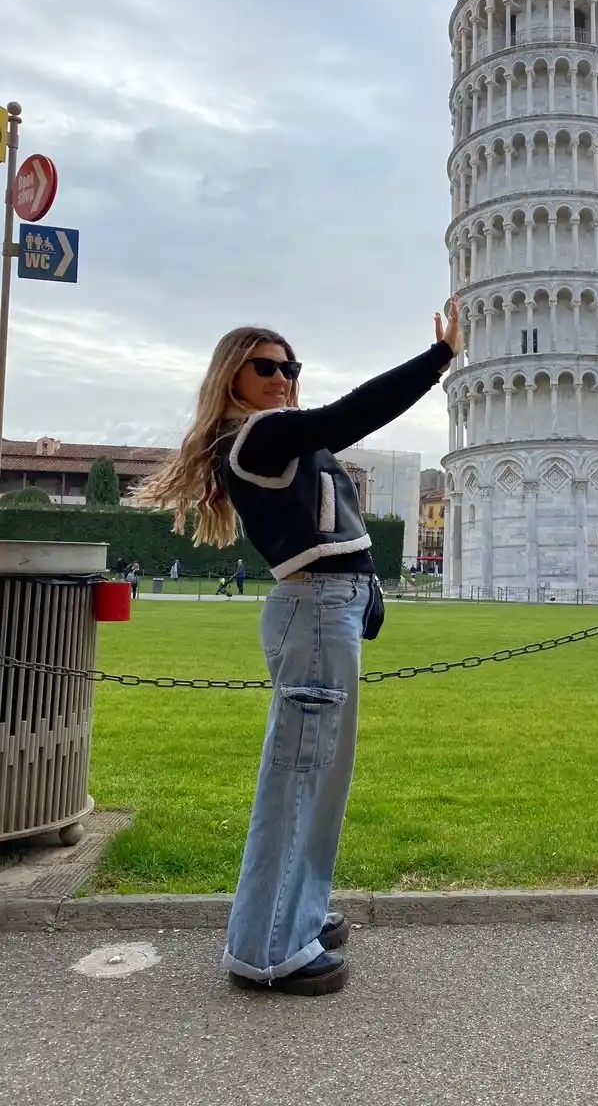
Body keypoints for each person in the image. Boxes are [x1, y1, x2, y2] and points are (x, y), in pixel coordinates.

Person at [134, 306, 460, 996]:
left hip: (327, 607)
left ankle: (296, 915)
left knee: (319, 781)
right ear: (233, 375)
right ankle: (266, 949)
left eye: (290, 367)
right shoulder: (257, 437)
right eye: (267, 366)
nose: (283, 377)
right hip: (314, 610)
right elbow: (348, 416)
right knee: (300, 778)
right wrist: (437, 360)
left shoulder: (269, 438)